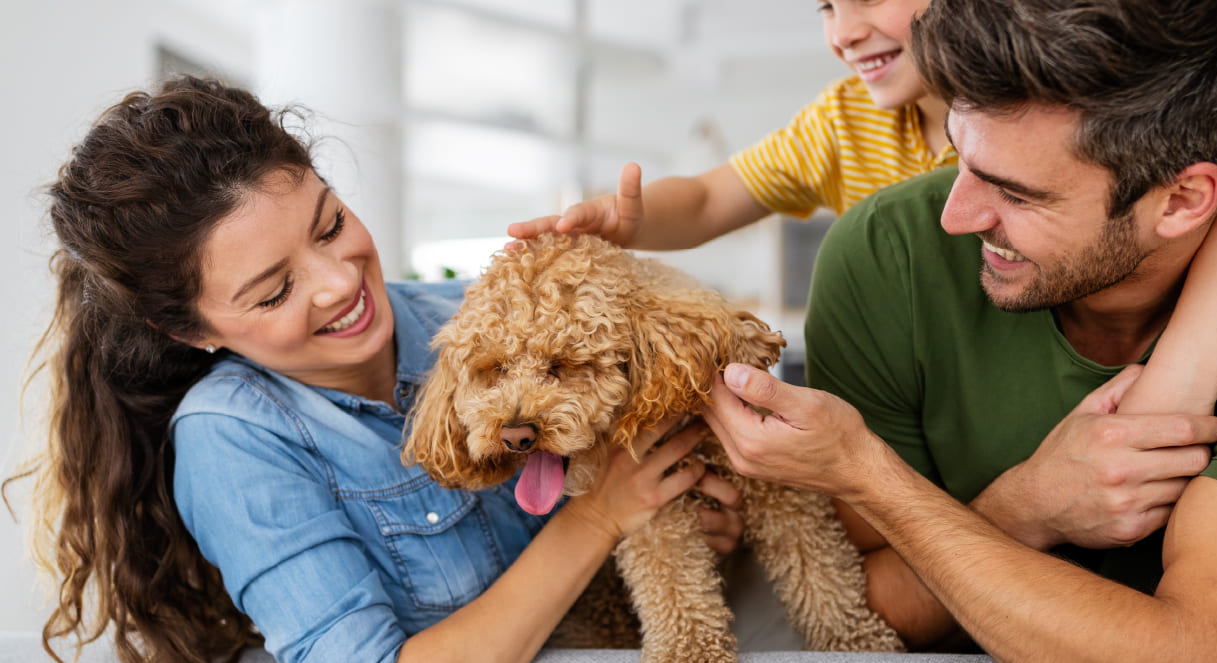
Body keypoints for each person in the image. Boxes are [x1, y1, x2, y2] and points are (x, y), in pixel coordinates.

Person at [701, 0, 1217, 661]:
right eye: (960, 154)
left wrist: (869, 469)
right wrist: (1028, 506)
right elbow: (869, 611)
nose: (957, 215)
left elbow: (1209, 651)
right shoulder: (885, 251)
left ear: (1181, 199)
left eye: (1015, 192)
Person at [9, 76, 743, 663]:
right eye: (275, 291)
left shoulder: (474, 317)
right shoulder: (231, 442)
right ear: (189, 330)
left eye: (330, 225)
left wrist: (687, 520)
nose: (338, 282)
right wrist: (598, 516)